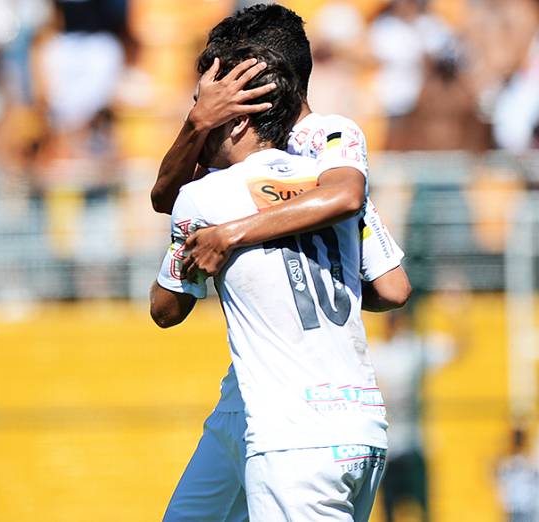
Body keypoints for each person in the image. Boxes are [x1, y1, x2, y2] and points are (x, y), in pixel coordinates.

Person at [151, 43, 387, 521]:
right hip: (352, 419)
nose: (196, 118)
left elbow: (165, 309)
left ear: (235, 117)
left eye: (201, 105)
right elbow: (393, 288)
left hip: (292, 437)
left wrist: (214, 240)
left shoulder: (207, 195)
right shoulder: (325, 176)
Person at [150, 3, 410, 310]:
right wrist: (197, 122)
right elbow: (167, 200)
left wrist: (232, 236)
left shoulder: (329, 133)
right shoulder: (233, 147)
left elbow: (347, 198)